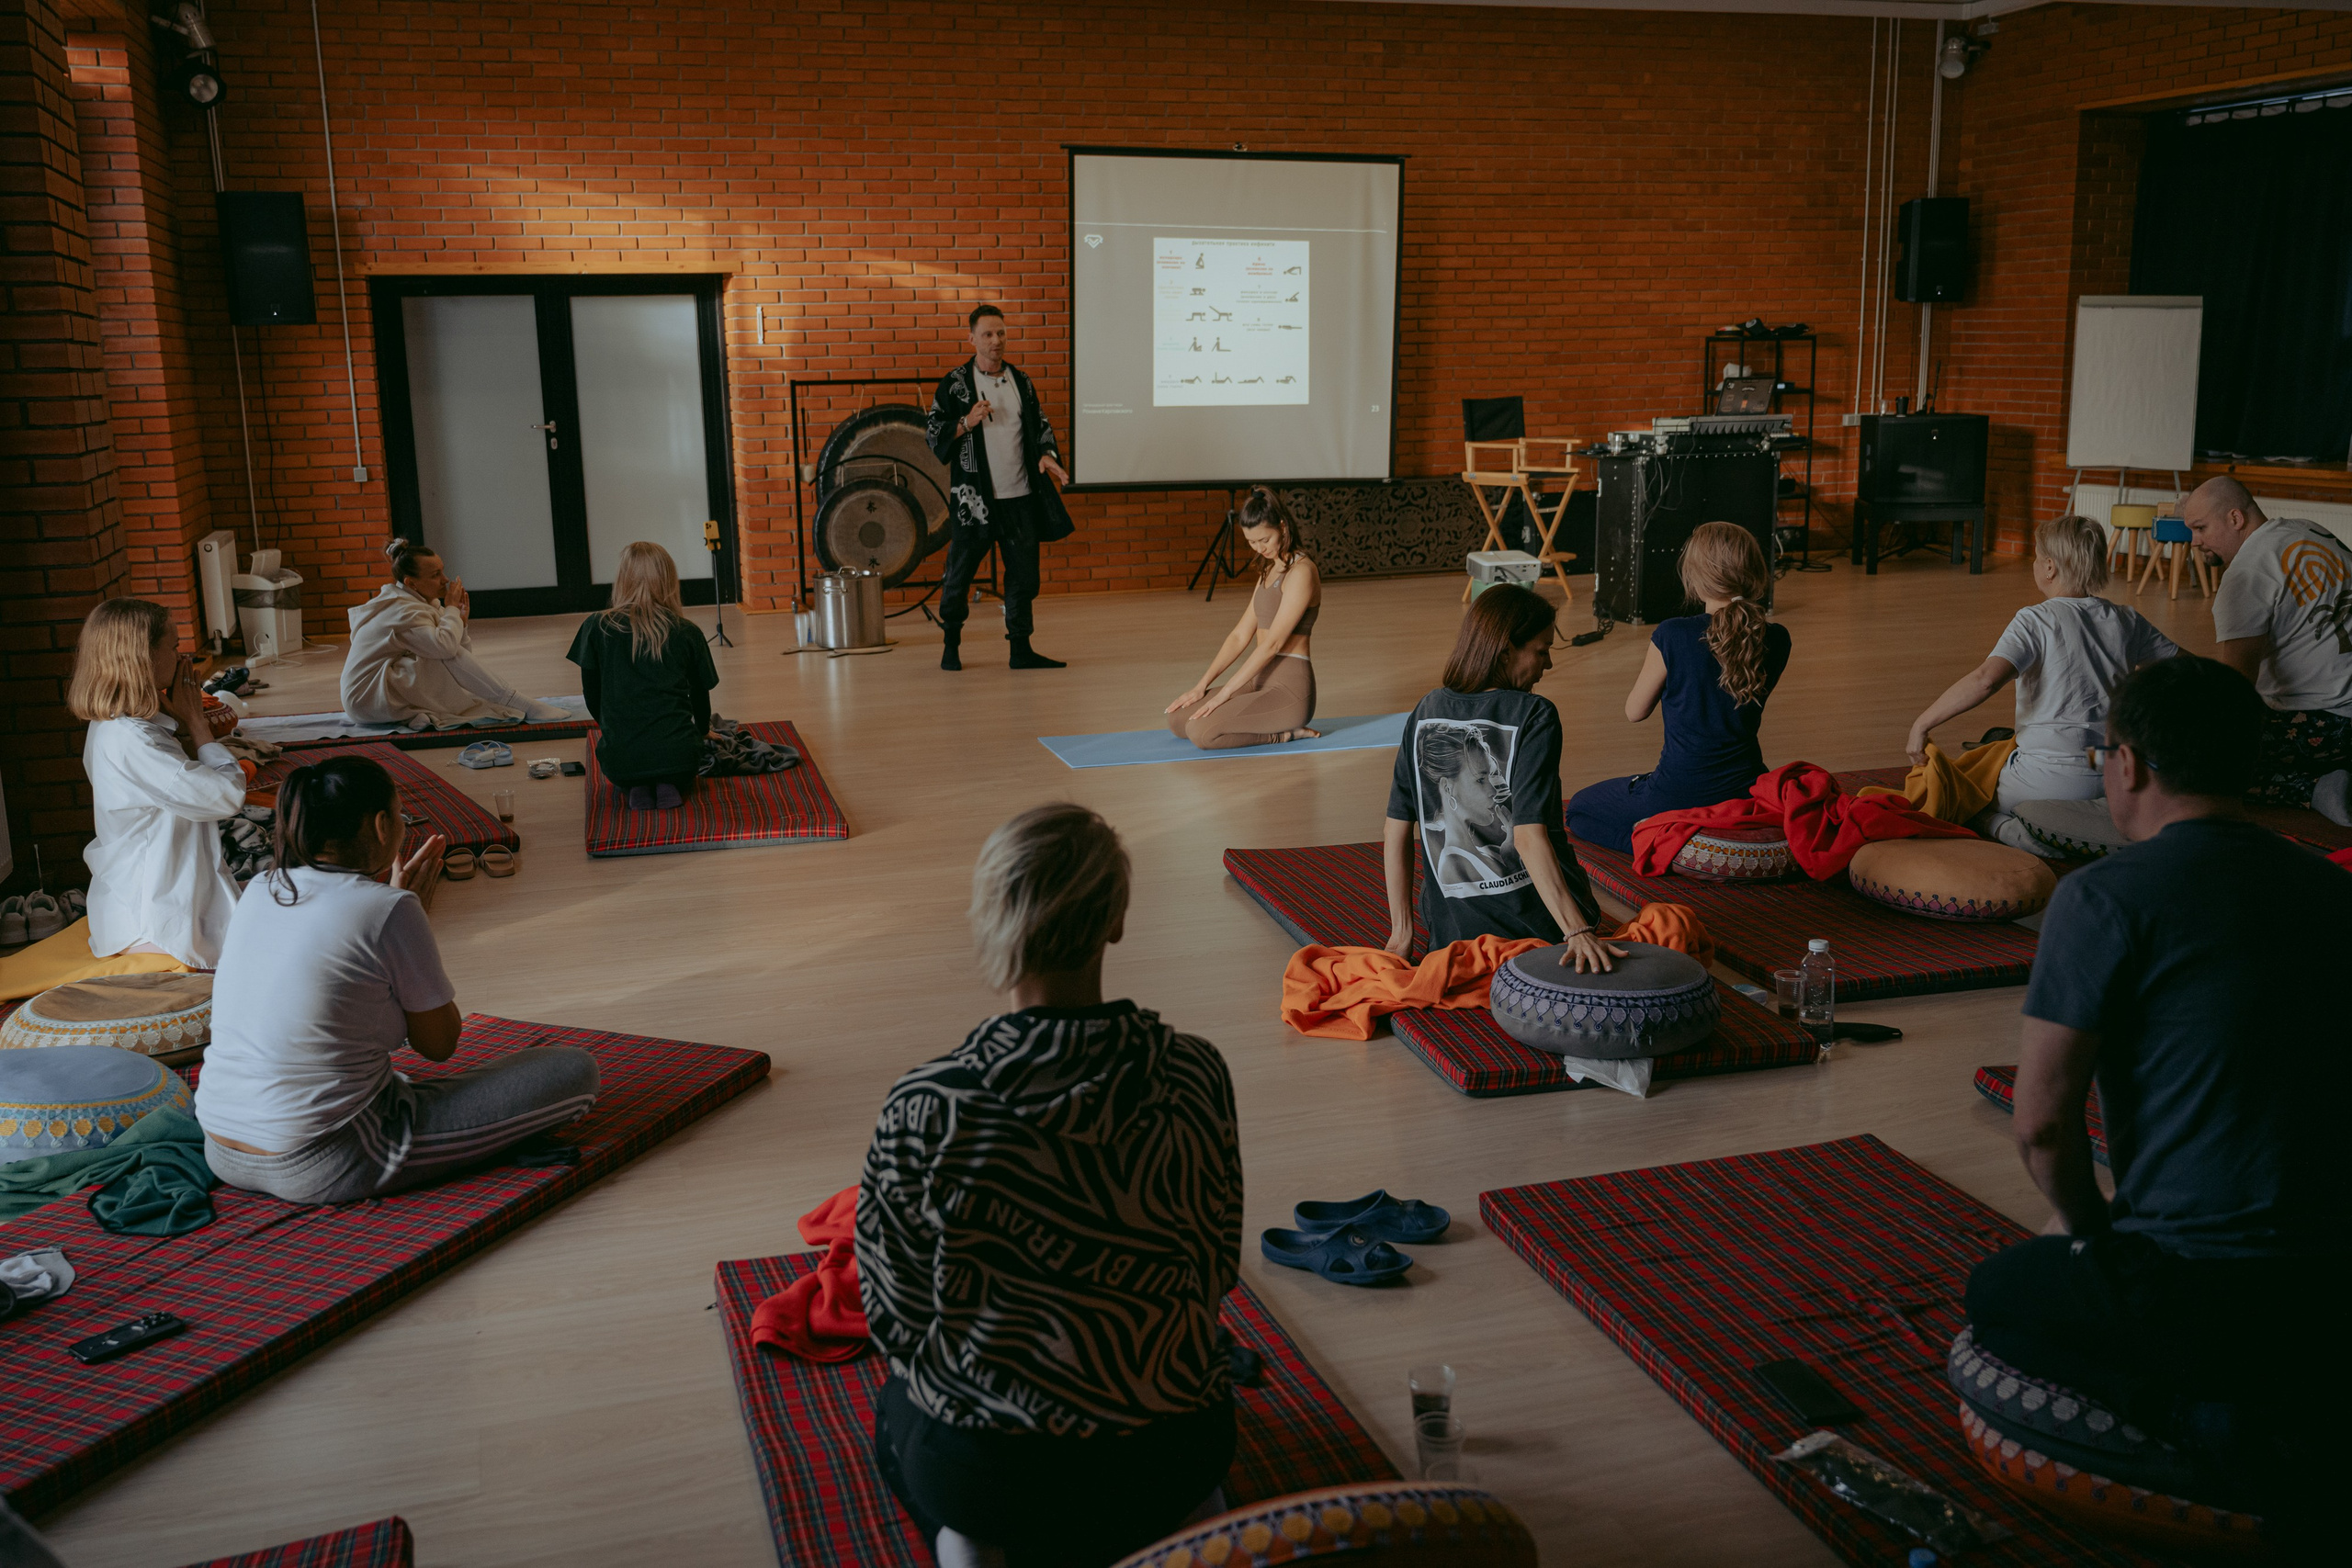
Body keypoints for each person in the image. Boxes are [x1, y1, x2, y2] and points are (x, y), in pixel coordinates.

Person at [1963, 657, 2348, 1547]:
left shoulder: (2104, 898)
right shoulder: (2333, 890)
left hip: (2196, 1295)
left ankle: (2193, 1419)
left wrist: (2092, 1231)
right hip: (2333, 1284)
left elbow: (2043, 1122)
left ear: (2126, 765)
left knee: (1998, 1294)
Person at [856, 804, 1241, 1567]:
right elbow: (1214, 1266)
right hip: (1176, 1451)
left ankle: (973, 1541)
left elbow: (894, 1317)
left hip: (992, 1476)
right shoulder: (1195, 1071)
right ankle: (1184, 1515)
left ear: (991, 919)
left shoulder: (928, 1103)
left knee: (897, 1409)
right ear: (1118, 920)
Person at [196, 755, 600, 1203]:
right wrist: (408, 915)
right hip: (325, 1158)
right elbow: (439, 1045)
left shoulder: (260, 888)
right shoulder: (388, 909)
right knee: (574, 1072)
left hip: (220, 1144)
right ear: (383, 825)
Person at [1903, 513, 2177, 853]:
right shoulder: (2126, 619)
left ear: (2049, 567)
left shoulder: (2035, 619)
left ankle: (2008, 829)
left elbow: (1985, 681)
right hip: (2112, 778)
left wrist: (1922, 723)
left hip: (2046, 782)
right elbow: (2189, 672)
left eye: (2035, 557)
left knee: (1963, 791)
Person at [1386, 583, 1618, 971]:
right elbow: (1529, 837)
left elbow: (1395, 829)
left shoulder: (1425, 711)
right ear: (1506, 649)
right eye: (1541, 651)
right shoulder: (1535, 714)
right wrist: (1577, 932)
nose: (1548, 665)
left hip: (1451, 940)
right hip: (1538, 933)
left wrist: (1402, 932)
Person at [1566, 522, 1792, 855]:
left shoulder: (1673, 634)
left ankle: (1669, 845)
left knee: (1579, 809)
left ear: (1696, 577)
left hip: (1679, 790)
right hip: (1746, 789)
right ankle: (1701, 834)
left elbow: (1634, 712)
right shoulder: (1777, 638)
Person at [70, 598, 245, 968]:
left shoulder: (129, 726)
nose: (186, 659)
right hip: (155, 920)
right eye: (174, 647)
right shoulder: (132, 741)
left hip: (160, 897)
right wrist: (198, 725)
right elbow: (226, 797)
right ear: (142, 657)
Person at [2180, 474, 2352, 824]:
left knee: (2179, 755)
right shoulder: (2308, 530)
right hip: (2341, 717)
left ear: (2235, 519)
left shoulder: (2245, 575)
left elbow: (2235, 691)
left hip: (2330, 724)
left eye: (2200, 528)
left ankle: (2314, 788)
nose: (2193, 542)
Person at [925, 304, 1075, 672]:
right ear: (972, 338)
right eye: (988, 334)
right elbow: (933, 434)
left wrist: (1048, 456)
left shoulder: (1020, 381)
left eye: (1001, 333)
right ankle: (951, 646)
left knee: (1024, 575)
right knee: (959, 573)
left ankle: (1020, 650)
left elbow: (1040, 428)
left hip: (1020, 495)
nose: (996, 341)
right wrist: (966, 421)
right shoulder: (955, 383)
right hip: (974, 500)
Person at [341, 539, 571, 729]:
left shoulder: (419, 601)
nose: (445, 580)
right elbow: (448, 651)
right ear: (411, 583)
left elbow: (459, 658)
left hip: (379, 693)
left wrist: (460, 621)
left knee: (440, 650)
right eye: (435, 575)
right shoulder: (401, 609)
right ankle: (522, 704)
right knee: (441, 649)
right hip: (366, 697)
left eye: (443, 571)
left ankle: (410, 715)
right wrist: (451, 609)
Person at [1164, 487, 1322, 748]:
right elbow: (1239, 636)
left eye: (1265, 540)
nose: (1260, 548)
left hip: (1288, 689)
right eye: (1251, 542)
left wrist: (1224, 695)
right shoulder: (1269, 570)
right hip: (1258, 680)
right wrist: (1201, 687)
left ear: (1282, 527)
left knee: (1201, 732)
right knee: (1178, 719)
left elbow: (1272, 645)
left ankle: (1286, 734)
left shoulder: (1302, 572)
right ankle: (1224, 705)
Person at [566, 541, 718, 811]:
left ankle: (636, 786)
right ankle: (668, 784)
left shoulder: (596, 626)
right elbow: (700, 696)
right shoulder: (687, 631)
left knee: (634, 760)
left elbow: (592, 694)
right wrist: (703, 731)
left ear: (622, 580)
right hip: (680, 758)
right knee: (673, 756)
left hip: (620, 761)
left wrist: (617, 729)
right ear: (669, 581)